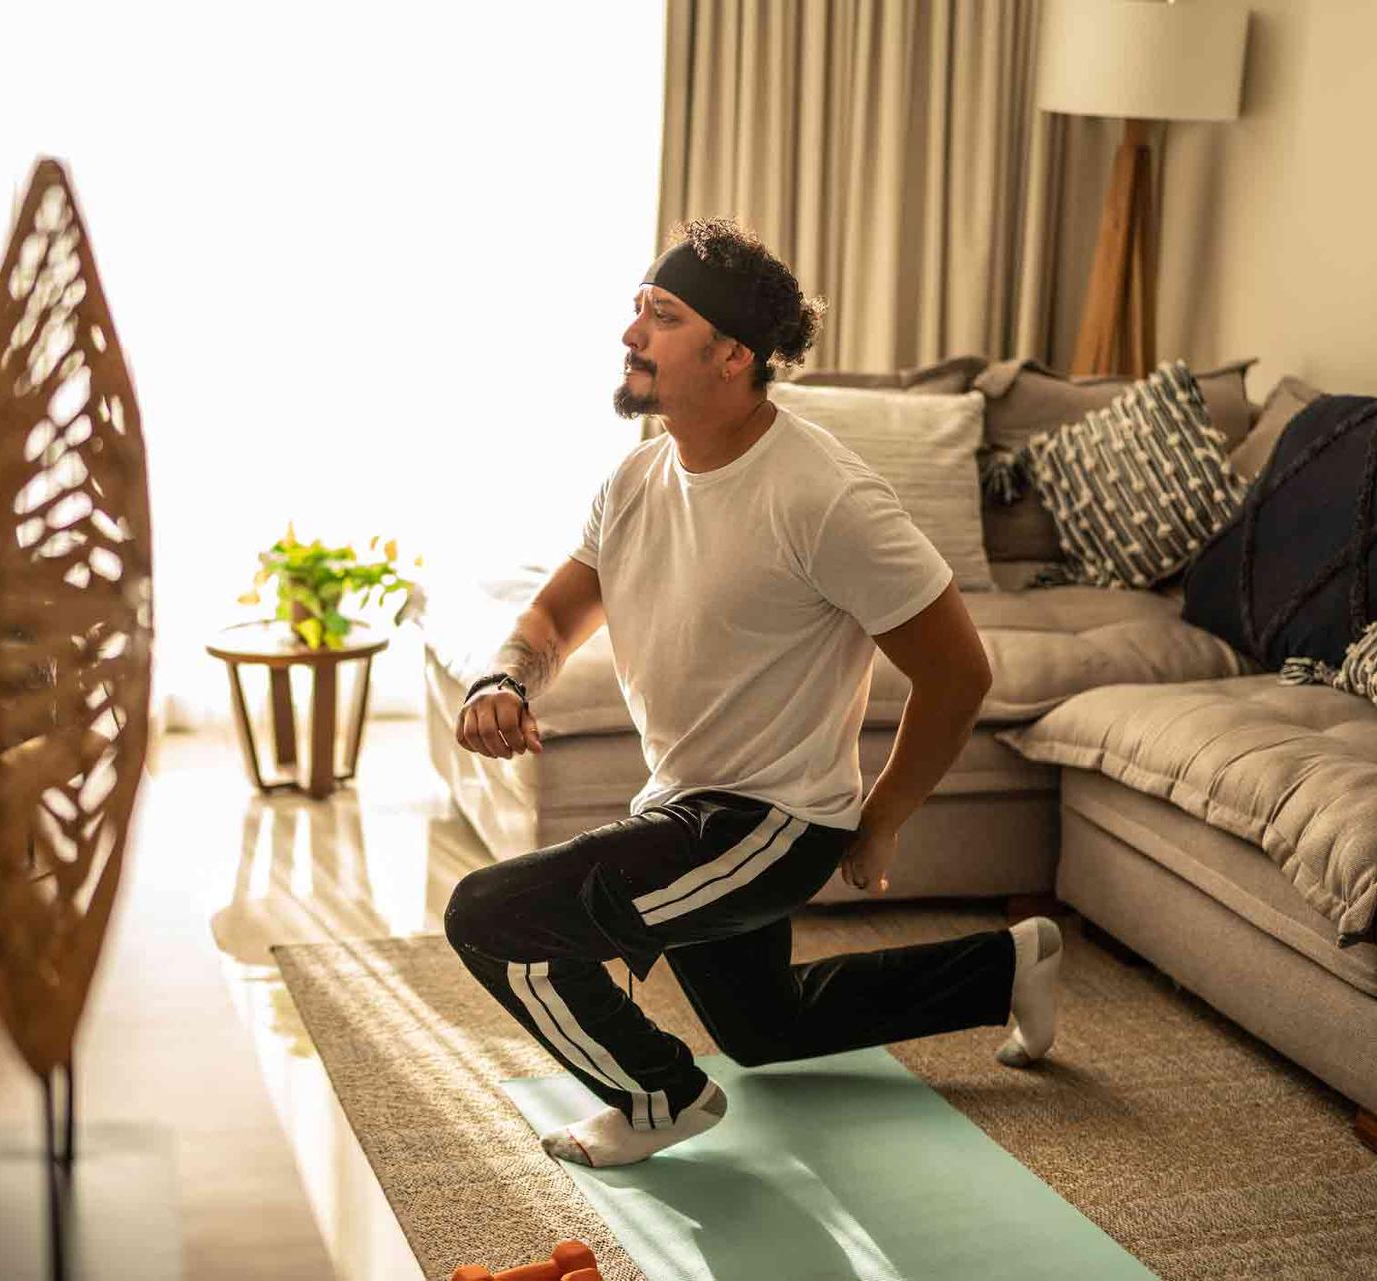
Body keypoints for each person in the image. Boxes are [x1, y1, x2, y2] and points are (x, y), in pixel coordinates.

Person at [443, 219, 1063, 1169]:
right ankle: (1009, 964)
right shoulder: (637, 478)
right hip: (686, 800)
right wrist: (503, 678)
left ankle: (660, 1096)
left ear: (731, 355)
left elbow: (958, 670)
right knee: (762, 1027)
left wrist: (885, 813)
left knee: (489, 913)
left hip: (771, 820)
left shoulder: (826, 497)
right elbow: (550, 624)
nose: (631, 333)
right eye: (636, 309)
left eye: (662, 314)